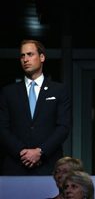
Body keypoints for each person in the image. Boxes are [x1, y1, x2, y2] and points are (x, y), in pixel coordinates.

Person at [0, 39, 71, 175]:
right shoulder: (8, 92)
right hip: (16, 165)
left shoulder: (59, 90)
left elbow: (63, 127)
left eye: (30, 54)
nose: (25, 59)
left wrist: (40, 152)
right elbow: (2, 128)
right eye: (22, 55)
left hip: (49, 165)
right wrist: (22, 152)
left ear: (42, 57)